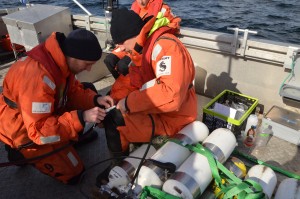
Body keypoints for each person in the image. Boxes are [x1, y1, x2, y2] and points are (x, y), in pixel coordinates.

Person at [0, 29, 114, 184]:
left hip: (46, 112)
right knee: (75, 173)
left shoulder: (61, 61)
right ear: (74, 57)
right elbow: (38, 130)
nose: (89, 69)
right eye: (87, 64)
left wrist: (96, 100)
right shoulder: (37, 78)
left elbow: (72, 91)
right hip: (23, 130)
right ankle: (18, 152)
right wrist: (82, 118)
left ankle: (69, 139)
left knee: (88, 88)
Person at [97, 8, 197, 183]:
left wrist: (127, 104)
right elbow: (134, 84)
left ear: (131, 36)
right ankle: (123, 164)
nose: (120, 48)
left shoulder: (165, 47)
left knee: (114, 119)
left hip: (175, 118)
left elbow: (171, 95)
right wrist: (114, 99)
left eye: (120, 43)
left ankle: (119, 167)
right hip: (158, 110)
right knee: (110, 112)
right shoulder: (143, 48)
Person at [104, 0, 181, 102]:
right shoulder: (135, 6)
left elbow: (170, 95)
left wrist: (128, 104)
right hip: (135, 40)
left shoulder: (163, 9)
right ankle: (120, 89)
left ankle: (127, 92)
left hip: (145, 42)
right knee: (109, 60)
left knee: (123, 65)